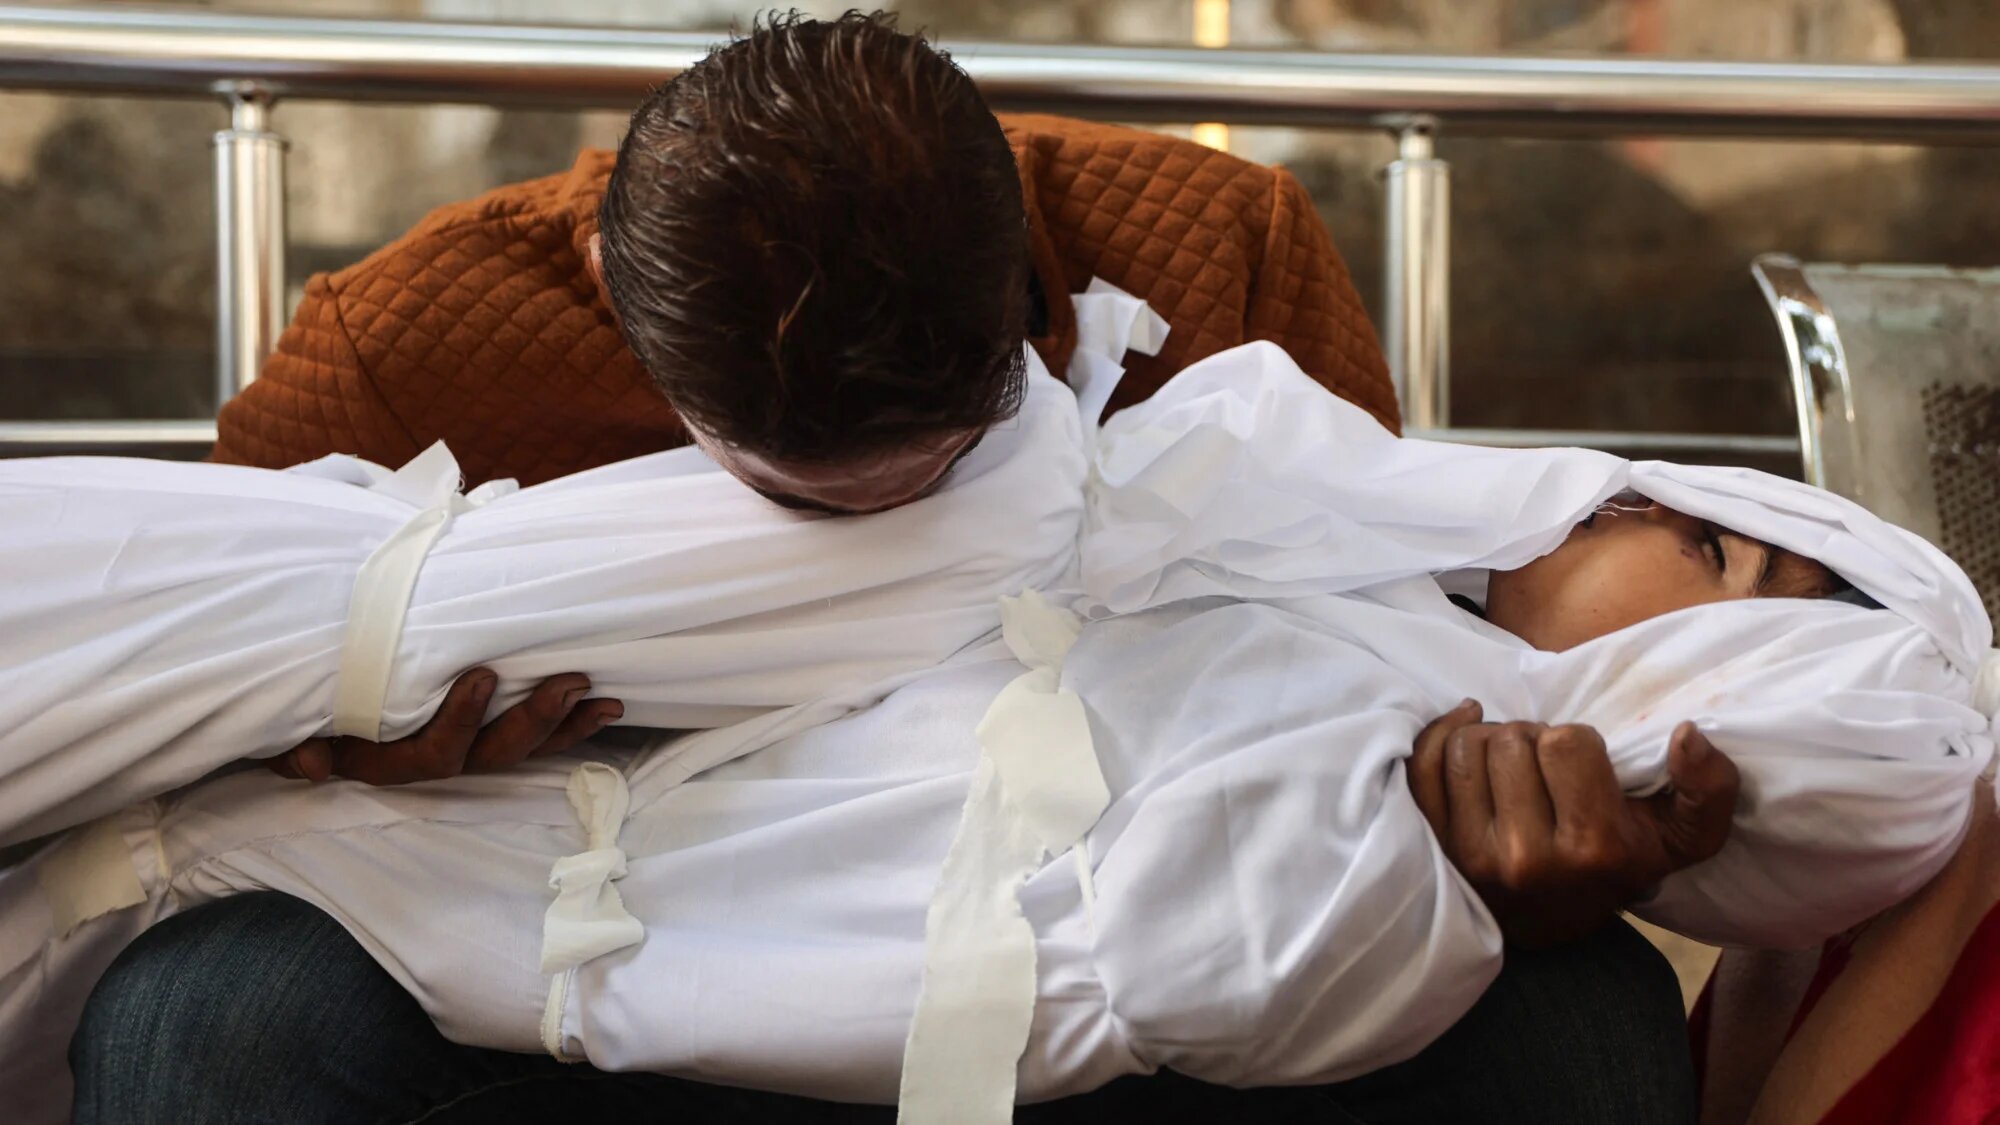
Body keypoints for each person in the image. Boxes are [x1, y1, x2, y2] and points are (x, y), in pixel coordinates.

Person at [37, 341, 1987, 1123]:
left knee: (1578, 1038)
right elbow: (326, 671)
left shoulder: (1229, 299)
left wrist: (1451, 903)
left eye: (1735, 571)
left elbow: (1227, 955)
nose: (1673, 535)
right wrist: (374, 747)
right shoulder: (437, 353)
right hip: (631, 935)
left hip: (1093, 1033)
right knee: (215, 1011)